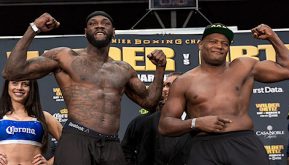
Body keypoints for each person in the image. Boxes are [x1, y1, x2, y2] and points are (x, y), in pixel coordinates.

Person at [2, 11, 166, 165]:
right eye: (93, 23)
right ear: (85, 32)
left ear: (114, 31)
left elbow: (150, 102)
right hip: (77, 139)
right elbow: (12, 71)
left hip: (111, 143)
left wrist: (160, 68)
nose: (99, 25)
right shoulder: (65, 57)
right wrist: (34, 28)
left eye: (105, 23)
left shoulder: (124, 69)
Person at [158, 23, 289, 165]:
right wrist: (196, 123)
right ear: (200, 45)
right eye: (213, 41)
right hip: (203, 146)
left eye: (225, 44)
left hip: (242, 142)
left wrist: (272, 37)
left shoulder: (244, 67)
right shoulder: (184, 81)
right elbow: (165, 125)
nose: (219, 46)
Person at [122, 72, 190, 165]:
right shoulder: (147, 122)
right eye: (164, 86)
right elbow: (127, 151)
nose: (165, 89)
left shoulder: (196, 121)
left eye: (170, 85)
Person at [0, 80, 62, 165]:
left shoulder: (43, 117)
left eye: (25, 84)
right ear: (7, 86)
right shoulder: (1, 117)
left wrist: (50, 163)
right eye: (15, 83)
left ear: (32, 88)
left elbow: (70, 144)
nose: (19, 88)